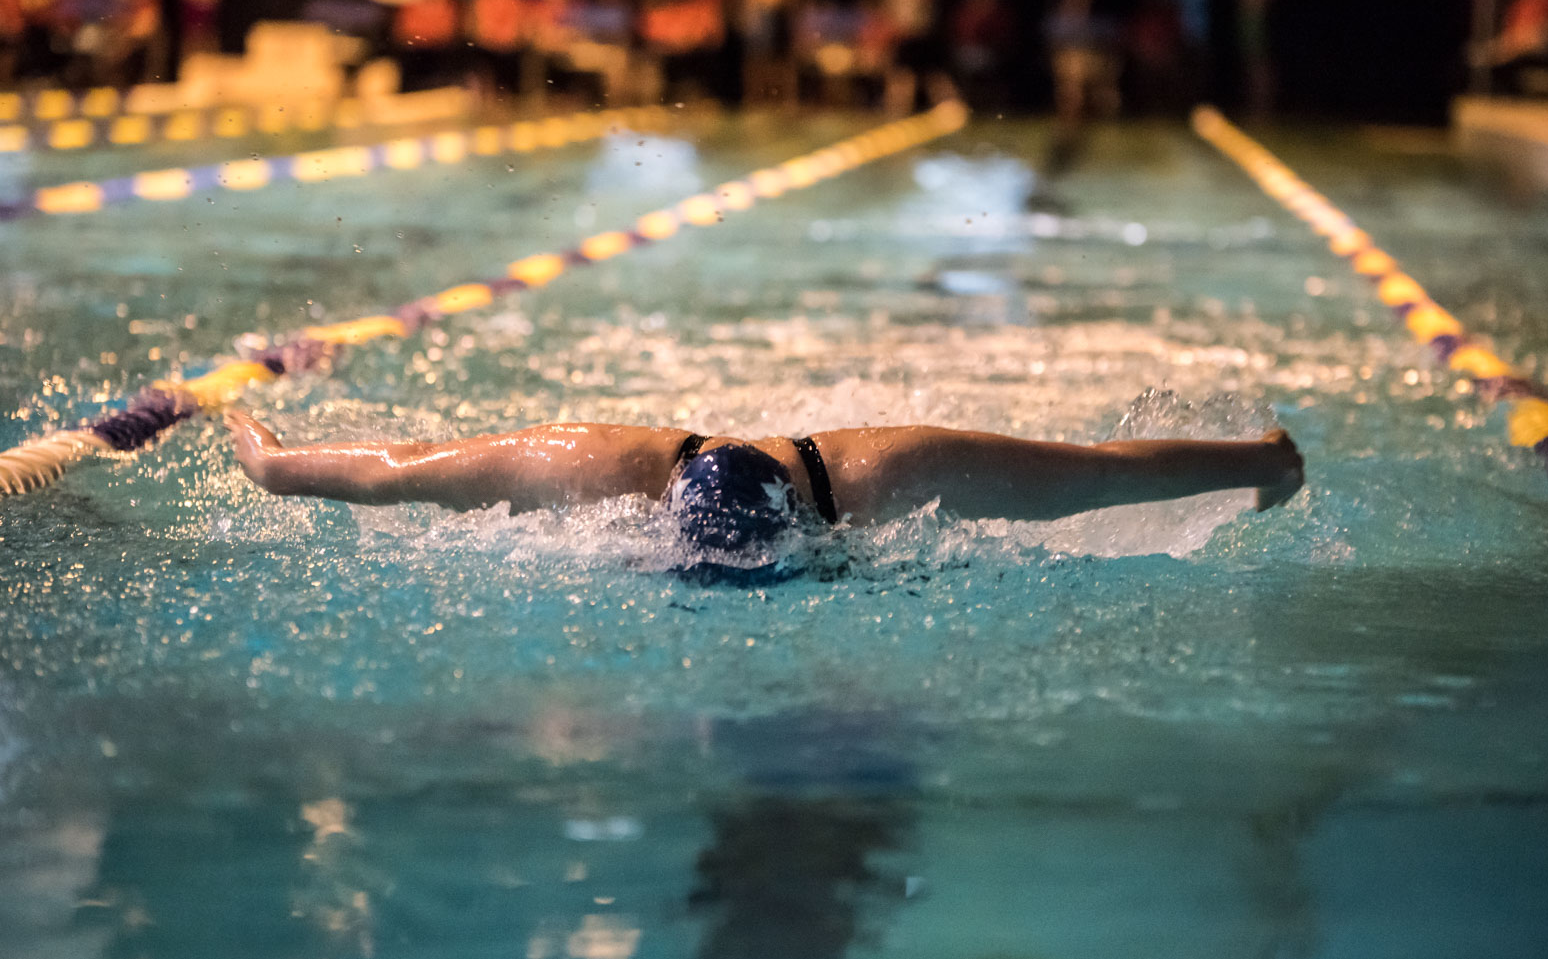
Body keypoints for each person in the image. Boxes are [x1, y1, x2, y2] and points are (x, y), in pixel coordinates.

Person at [226, 413, 1305, 575]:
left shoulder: (901, 475)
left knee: (1079, 482)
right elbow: (391, 472)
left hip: (855, 479)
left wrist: (1263, 461)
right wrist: (269, 456)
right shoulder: (588, 464)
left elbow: (1101, 477)